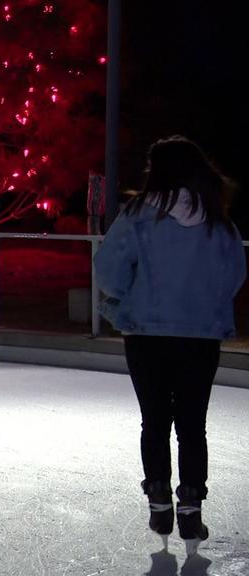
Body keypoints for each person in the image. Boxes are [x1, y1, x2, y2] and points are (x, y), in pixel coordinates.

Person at [95, 135, 246, 556]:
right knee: (192, 425)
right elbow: (233, 276)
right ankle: (191, 506)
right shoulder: (219, 222)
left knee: (155, 421)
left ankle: (159, 498)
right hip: (199, 337)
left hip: (147, 334)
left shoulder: (137, 216)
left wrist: (125, 301)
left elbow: (107, 272)